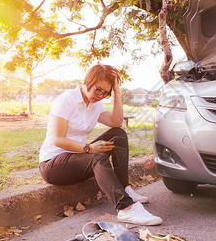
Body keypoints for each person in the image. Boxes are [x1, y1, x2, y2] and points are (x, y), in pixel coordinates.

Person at [38, 64, 162, 226]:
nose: (100, 95)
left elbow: (116, 122)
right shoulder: (67, 100)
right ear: (89, 81)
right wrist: (89, 148)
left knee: (118, 135)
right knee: (96, 157)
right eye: (98, 89)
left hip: (78, 159)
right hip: (53, 165)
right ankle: (126, 209)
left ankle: (124, 189)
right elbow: (58, 139)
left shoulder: (95, 105)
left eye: (105, 93)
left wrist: (117, 92)